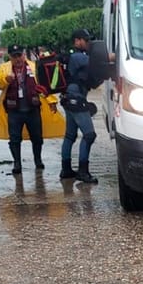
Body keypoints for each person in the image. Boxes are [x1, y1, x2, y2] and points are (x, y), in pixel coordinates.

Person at [0, 44, 62, 174]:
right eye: (14, 56)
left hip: (33, 108)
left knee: (37, 138)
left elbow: (44, 86)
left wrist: (51, 101)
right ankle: (17, 163)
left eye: (20, 55)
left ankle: (38, 160)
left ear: (23, 55)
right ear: (10, 57)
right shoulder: (4, 68)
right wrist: (5, 79)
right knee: (14, 139)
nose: (18, 59)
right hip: (14, 110)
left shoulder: (34, 67)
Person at [59, 29, 99, 183]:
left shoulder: (73, 57)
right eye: (85, 40)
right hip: (76, 99)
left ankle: (66, 169)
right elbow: (98, 63)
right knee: (89, 135)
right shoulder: (78, 57)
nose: (88, 43)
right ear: (77, 41)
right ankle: (83, 171)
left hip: (69, 99)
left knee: (70, 135)